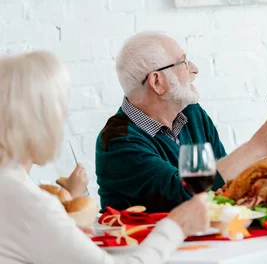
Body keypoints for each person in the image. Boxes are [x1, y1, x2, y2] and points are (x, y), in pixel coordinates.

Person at [0, 51, 211, 264]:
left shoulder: (13, 188)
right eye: (59, 114)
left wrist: (63, 239)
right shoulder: (26, 200)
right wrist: (174, 226)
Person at [96, 31, 267, 212]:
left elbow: (224, 187)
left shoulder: (192, 114)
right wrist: (257, 147)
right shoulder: (117, 141)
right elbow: (185, 195)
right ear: (157, 82)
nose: (195, 70)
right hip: (150, 246)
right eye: (183, 63)